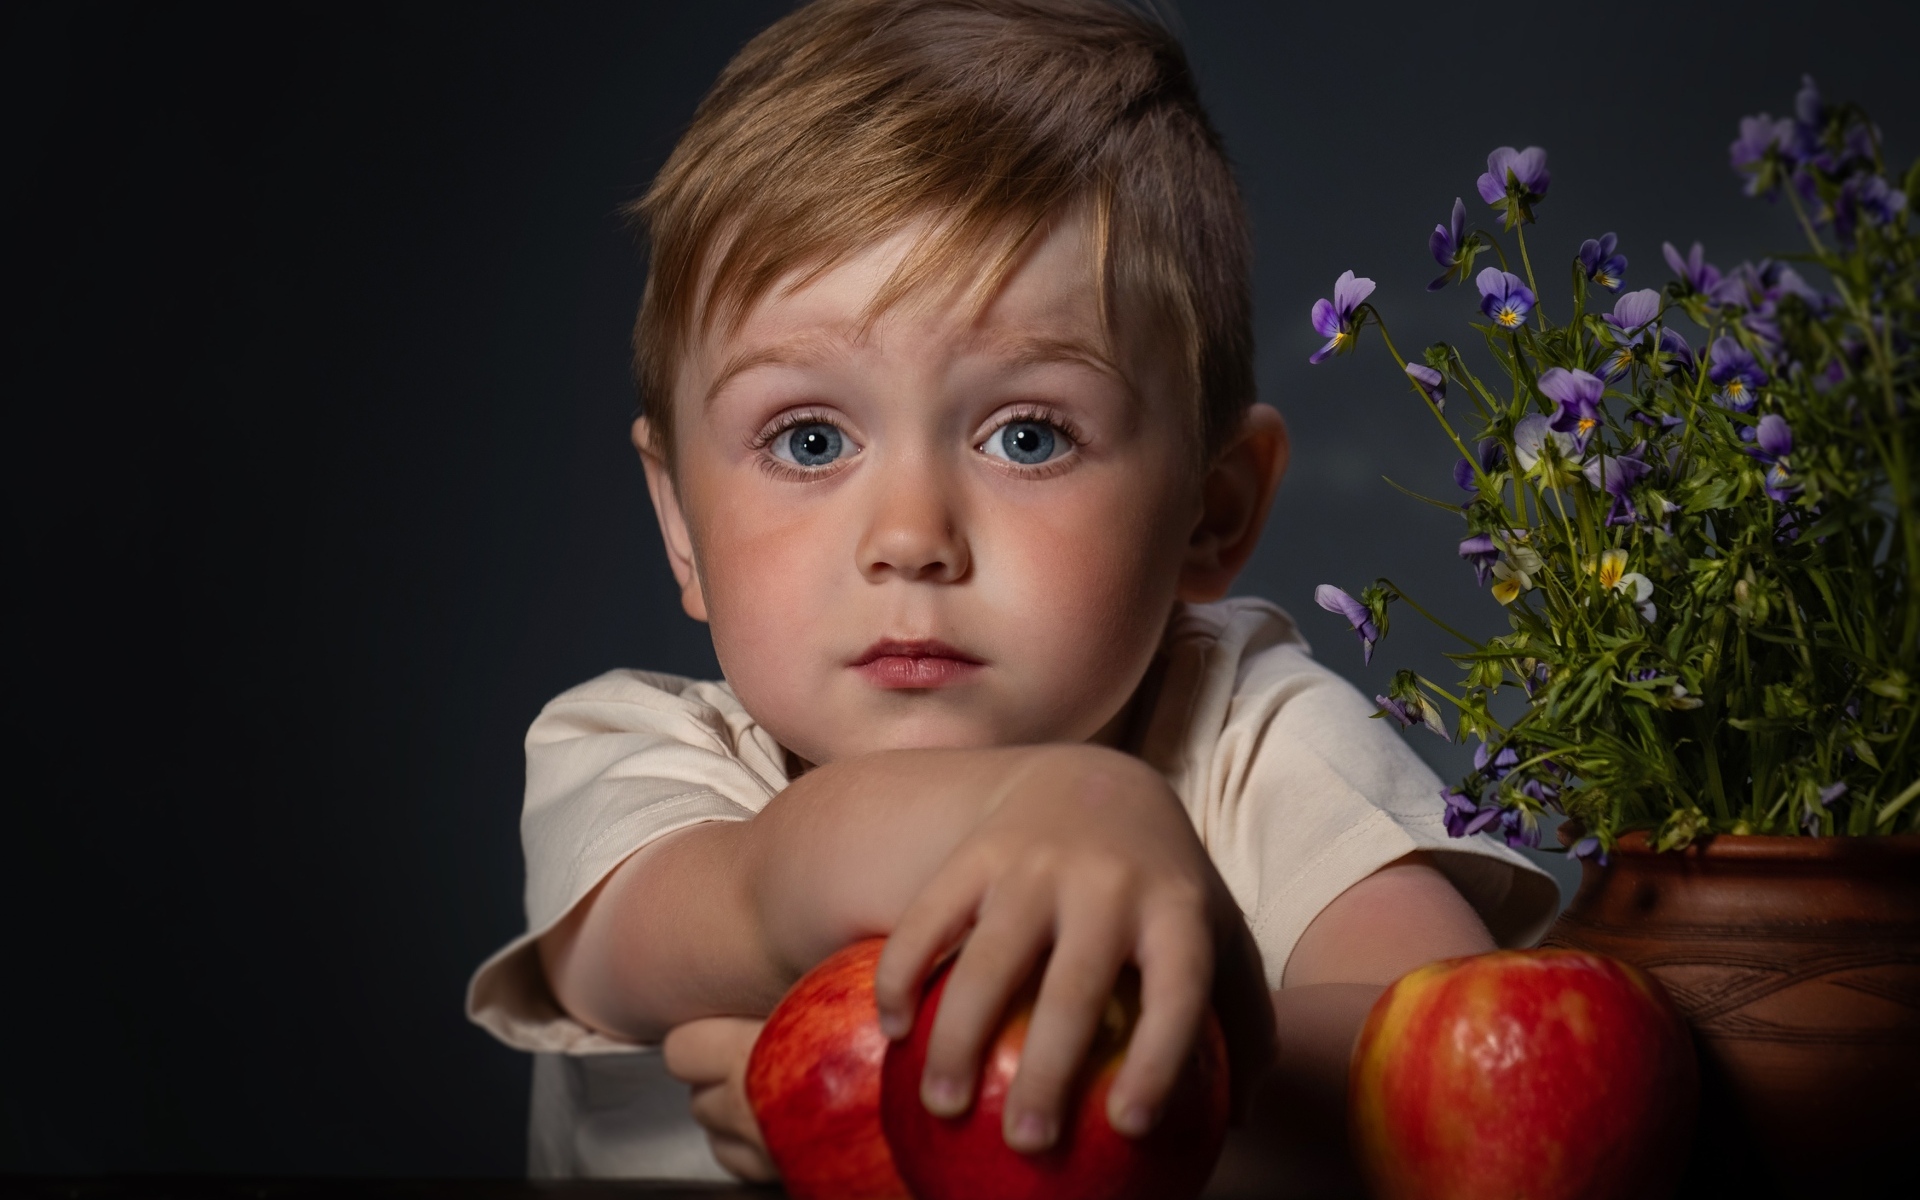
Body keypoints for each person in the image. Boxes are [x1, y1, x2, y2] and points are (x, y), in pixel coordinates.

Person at [467, 0, 1558, 1181]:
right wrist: (1062, 805)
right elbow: (756, 891)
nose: (911, 538)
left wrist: (1068, 1067)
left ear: (1214, 509)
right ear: (680, 519)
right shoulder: (629, 756)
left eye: (1029, 437)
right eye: (810, 440)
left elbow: (1445, 1049)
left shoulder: (1251, 734)